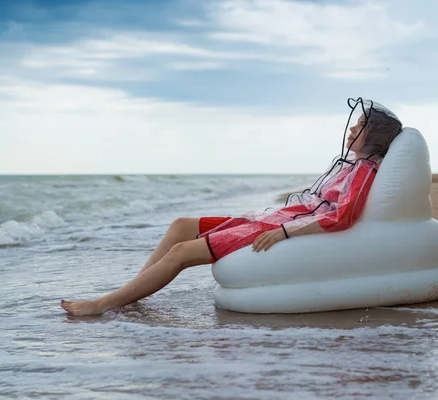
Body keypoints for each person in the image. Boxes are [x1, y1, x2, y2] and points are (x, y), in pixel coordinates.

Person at [61, 98, 403, 316]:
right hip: (272, 218)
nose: (351, 130)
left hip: (276, 227)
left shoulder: (365, 169)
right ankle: (131, 293)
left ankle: (104, 304)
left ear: (372, 137)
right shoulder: (352, 165)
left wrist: (284, 232)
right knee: (182, 224)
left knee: (181, 251)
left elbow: (342, 217)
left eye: (359, 126)